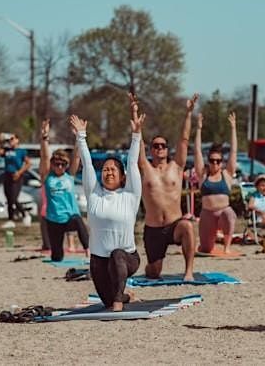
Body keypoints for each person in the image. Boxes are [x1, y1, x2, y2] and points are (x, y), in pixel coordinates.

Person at [71, 109, 143, 312]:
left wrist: (136, 135)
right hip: (99, 260)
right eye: (105, 169)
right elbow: (86, 163)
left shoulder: (130, 195)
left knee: (117, 255)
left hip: (127, 258)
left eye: (113, 169)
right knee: (106, 302)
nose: (108, 171)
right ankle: (124, 297)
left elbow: (133, 163)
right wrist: (81, 136)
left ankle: (120, 300)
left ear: (122, 177)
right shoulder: (94, 194)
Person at [133, 92, 196, 281]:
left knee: (188, 227)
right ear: (151, 149)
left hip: (174, 224)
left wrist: (188, 113)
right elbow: (138, 143)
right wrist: (135, 115)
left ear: (168, 149)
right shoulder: (145, 168)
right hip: (153, 228)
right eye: (156, 146)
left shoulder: (176, 167)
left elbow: (184, 140)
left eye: (163, 146)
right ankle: (151, 267)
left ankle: (189, 272)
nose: (160, 148)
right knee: (154, 273)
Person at [39, 119, 89, 261]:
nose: (60, 167)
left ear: (66, 165)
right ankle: (58, 254)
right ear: (53, 164)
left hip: (69, 218)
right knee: (57, 257)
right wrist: (44, 138)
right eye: (57, 164)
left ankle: (88, 250)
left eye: (63, 164)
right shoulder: (48, 177)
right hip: (53, 220)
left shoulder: (69, 176)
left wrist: (79, 136)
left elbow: (77, 156)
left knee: (79, 221)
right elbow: (44, 156)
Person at [194, 111, 239, 254]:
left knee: (229, 213)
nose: (215, 163)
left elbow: (234, 152)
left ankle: (227, 246)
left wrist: (233, 128)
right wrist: (199, 129)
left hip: (223, 212)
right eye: (212, 161)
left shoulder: (227, 174)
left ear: (221, 163)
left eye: (218, 161)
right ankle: (209, 241)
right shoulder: (203, 175)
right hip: (207, 213)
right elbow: (197, 152)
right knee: (206, 249)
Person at [0, 131, 31, 228]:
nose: (11, 141)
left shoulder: (21, 151)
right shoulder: (7, 150)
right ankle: (10, 220)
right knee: (9, 198)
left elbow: (28, 163)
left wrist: (19, 172)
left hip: (16, 176)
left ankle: (25, 214)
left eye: (13, 139)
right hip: (7, 175)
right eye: (10, 139)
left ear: (17, 140)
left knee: (14, 198)